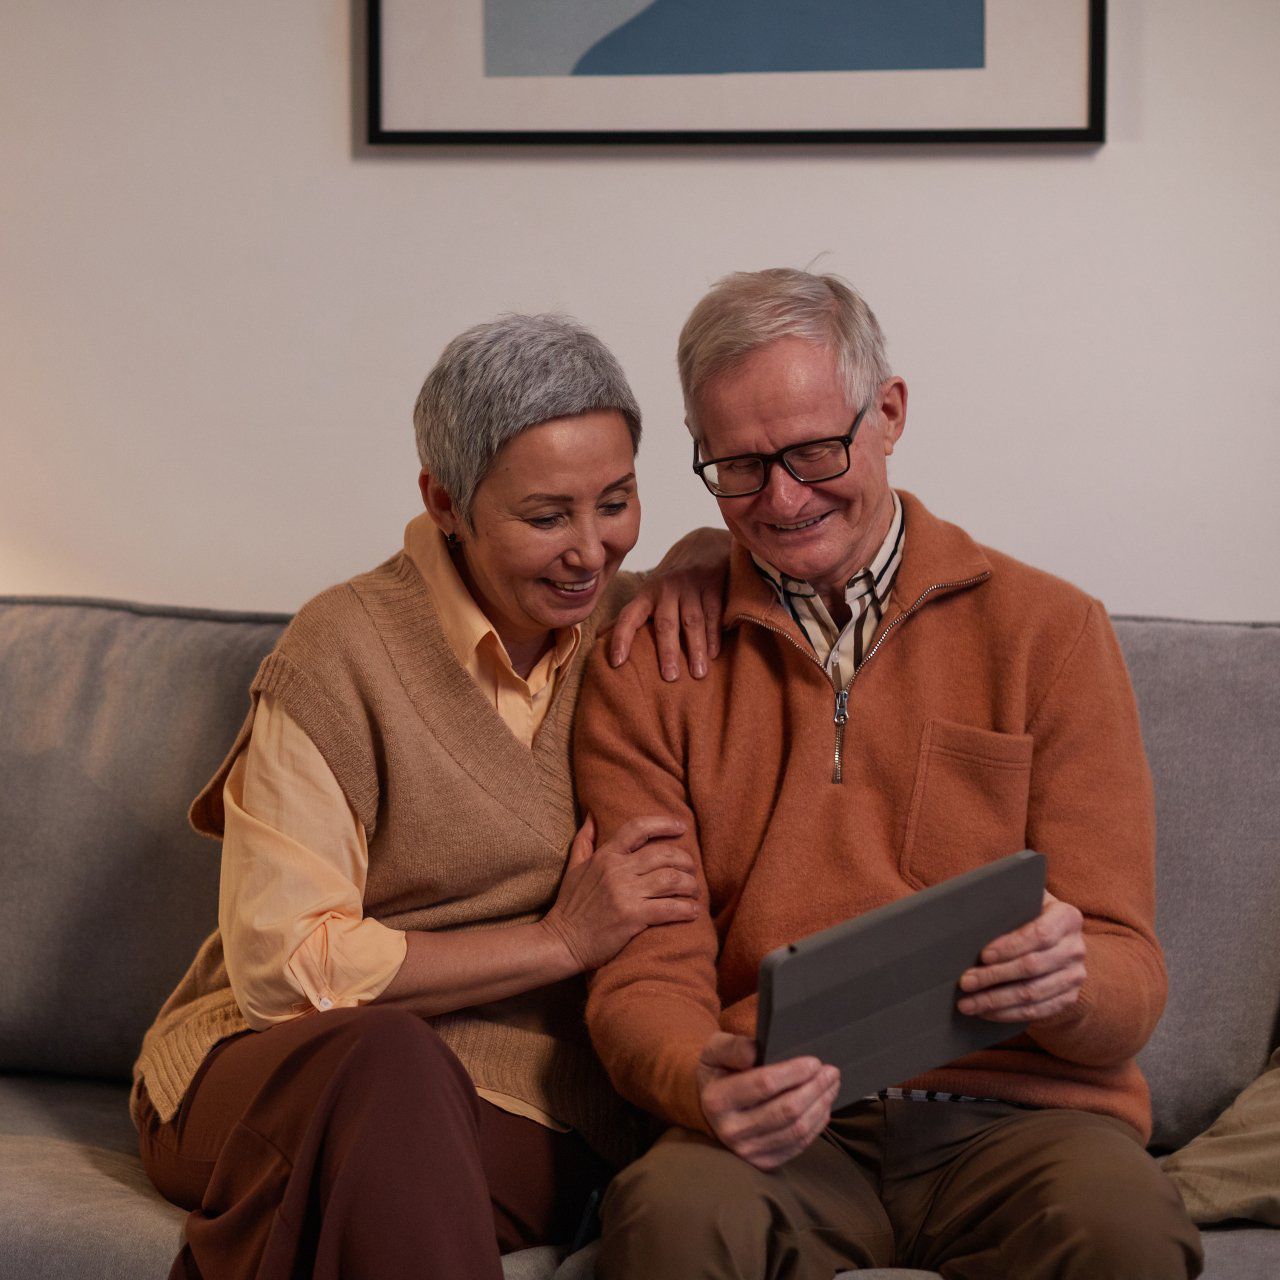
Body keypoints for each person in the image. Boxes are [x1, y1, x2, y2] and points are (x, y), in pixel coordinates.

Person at [574, 269, 1205, 1279]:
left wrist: (1070, 981)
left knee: (1125, 1235)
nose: (780, 499)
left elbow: (1128, 968)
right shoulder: (652, 658)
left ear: (890, 413)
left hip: (1017, 1121)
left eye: (814, 450)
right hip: (781, 1126)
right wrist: (699, 1076)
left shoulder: (1048, 632)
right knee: (668, 1218)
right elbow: (644, 968)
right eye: (736, 466)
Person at [132, 313, 730, 1280]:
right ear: (445, 501)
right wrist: (559, 942)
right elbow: (284, 967)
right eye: (547, 517)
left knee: (386, 1153)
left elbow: (799, 551)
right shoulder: (341, 652)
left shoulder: (642, 625)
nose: (591, 550)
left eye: (616, 501)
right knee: (391, 1063)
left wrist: (714, 551)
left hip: (527, 1106)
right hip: (274, 1071)